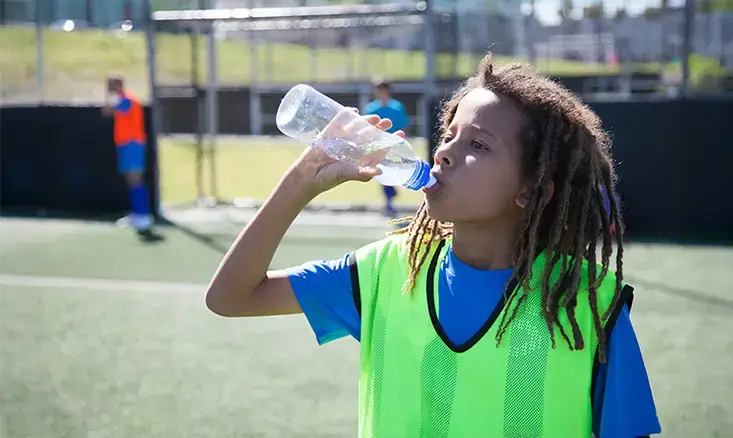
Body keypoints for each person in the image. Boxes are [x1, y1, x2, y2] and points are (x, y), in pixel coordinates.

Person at [205, 53, 661, 437]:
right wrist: (299, 184)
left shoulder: (590, 302)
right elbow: (231, 297)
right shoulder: (385, 271)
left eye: (478, 145)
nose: (443, 152)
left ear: (531, 189)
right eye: (448, 135)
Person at [102, 76, 153, 233]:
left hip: (133, 144)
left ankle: (143, 216)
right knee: (131, 180)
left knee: (136, 179)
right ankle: (137, 213)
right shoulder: (123, 101)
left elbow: (108, 111)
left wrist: (109, 95)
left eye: (112, 85)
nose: (110, 88)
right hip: (125, 144)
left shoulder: (128, 100)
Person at [363, 78, 410, 217]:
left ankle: (391, 195)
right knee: (383, 173)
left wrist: (401, 143)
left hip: (393, 146)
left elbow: (403, 126)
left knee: (393, 172)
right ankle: (389, 202)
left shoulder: (397, 107)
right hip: (379, 147)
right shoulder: (371, 109)